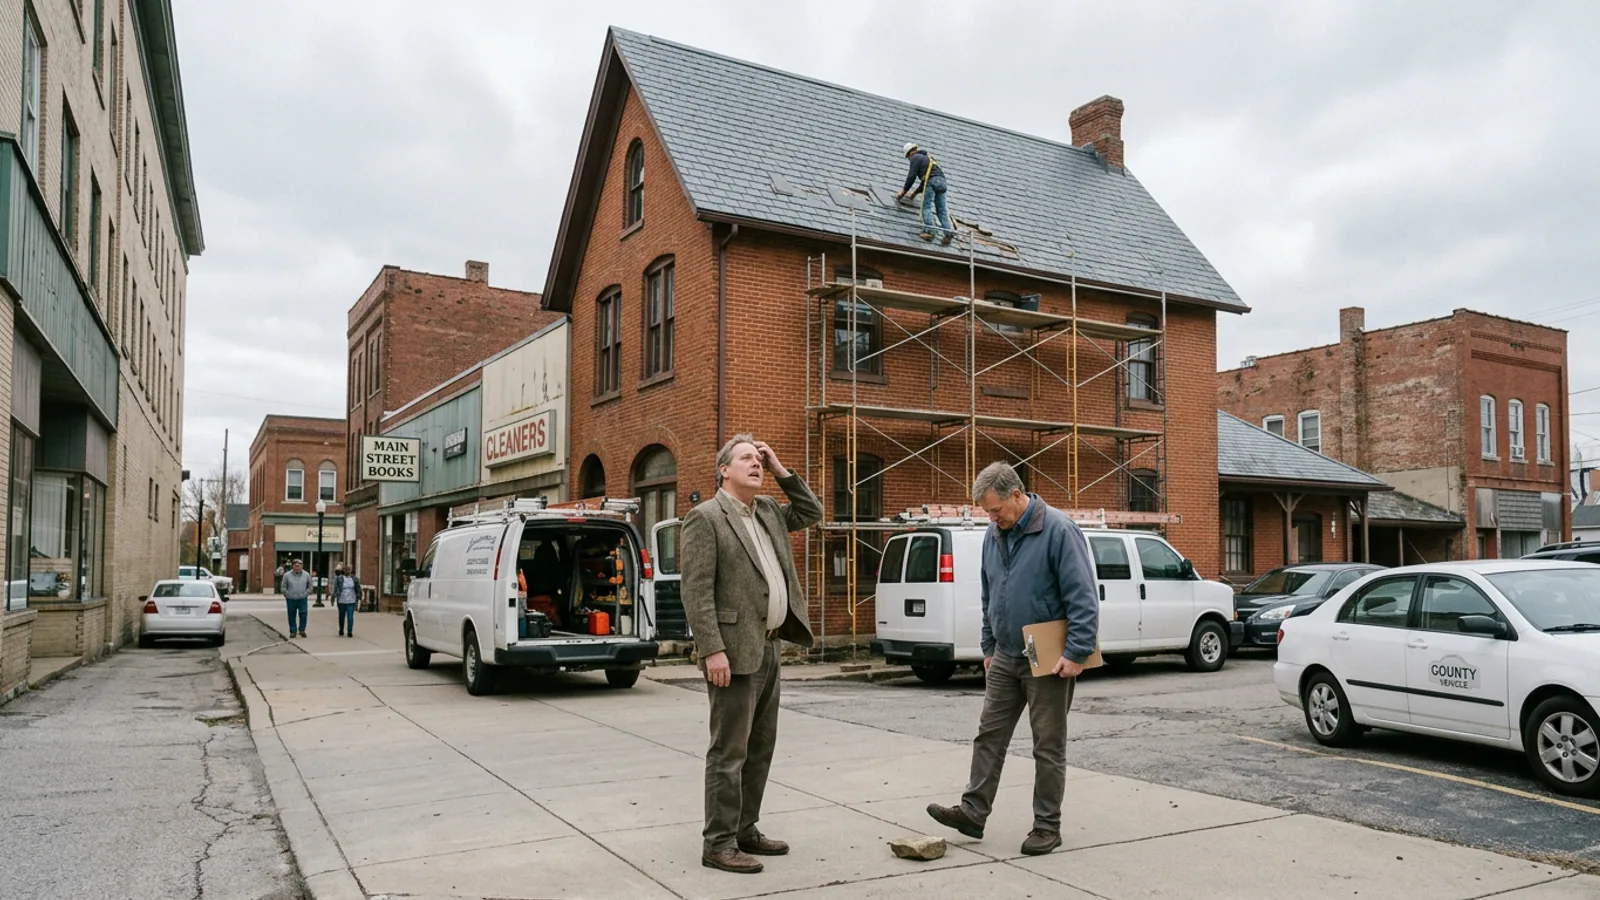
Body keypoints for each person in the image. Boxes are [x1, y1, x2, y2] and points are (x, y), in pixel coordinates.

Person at [925, 461, 1099, 857]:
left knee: (1047, 745)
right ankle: (973, 811)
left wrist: (1076, 652)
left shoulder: (1058, 530)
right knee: (989, 735)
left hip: (1050, 659)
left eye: (996, 509)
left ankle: (1046, 826)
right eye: (988, 512)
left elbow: (1083, 597)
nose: (993, 518)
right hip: (1006, 654)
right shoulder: (994, 534)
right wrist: (989, 647)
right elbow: (989, 593)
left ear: (1017, 496)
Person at [680, 434, 822, 875]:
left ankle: (745, 828)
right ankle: (718, 842)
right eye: (747, 458)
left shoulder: (767, 513)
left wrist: (782, 470)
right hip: (732, 653)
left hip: (770, 644)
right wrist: (712, 650)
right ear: (723, 469)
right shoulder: (705, 518)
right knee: (729, 751)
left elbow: (812, 512)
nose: (756, 463)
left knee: (760, 747)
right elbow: (696, 591)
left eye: (759, 459)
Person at [896, 142, 953, 245]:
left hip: (932, 181)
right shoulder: (927, 158)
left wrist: (904, 191)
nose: (909, 160)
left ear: (909, 153)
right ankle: (948, 234)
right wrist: (914, 193)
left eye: (908, 157)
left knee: (925, 207)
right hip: (942, 182)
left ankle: (930, 231)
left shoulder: (915, 157)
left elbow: (912, 176)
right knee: (942, 210)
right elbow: (925, 181)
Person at [280, 559, 313, 639]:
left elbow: (310, 586)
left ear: (302, 566)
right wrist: (286, 594)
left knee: (303, 614)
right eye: (295, 565)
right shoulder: (287, 575)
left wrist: (307, 593)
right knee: (291, 615)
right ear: (293, 566)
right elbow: (283, 586)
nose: (297, 567)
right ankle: (293, 631)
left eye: (299, 565)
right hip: (291, 598)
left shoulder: (306, 575)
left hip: (302, 598)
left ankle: (302, 630)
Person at [332, 564, 361, 637]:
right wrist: (333, 597)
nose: (347, 571)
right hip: (341, 599)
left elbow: (358, 588)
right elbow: (335, 588)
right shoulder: (339, 578)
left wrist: (359, 596)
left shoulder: (355, 579)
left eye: (349, 570)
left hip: (351, 599)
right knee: (341, 616)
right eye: (346, 570)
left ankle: (350, 631)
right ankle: (341, 629)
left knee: (350, 616)